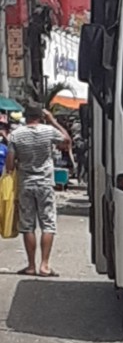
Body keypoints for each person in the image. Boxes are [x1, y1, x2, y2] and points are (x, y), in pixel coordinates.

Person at [6, 103, 72, 278]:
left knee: (27, 225)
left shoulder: (15, 135)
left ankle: (30, 265)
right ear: (41, 116)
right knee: (48, 223)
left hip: (26, 183)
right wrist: (53, 121)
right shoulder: (48, 131)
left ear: (25, 116)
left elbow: (10, 164)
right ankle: (44, 265)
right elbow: (67, 142)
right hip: (45, 184)